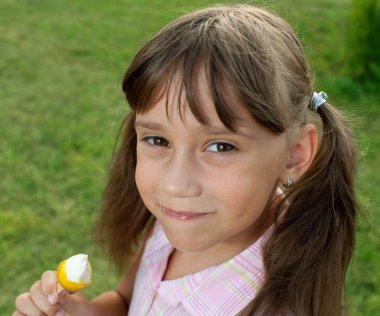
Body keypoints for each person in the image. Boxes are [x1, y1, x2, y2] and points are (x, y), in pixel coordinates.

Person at [13, 4, 358, 316]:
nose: (175, 183)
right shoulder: (175, 219)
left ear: (294, 155)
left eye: (221, 146)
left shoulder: (272, 303)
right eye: (158, 139)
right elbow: (125, 299)